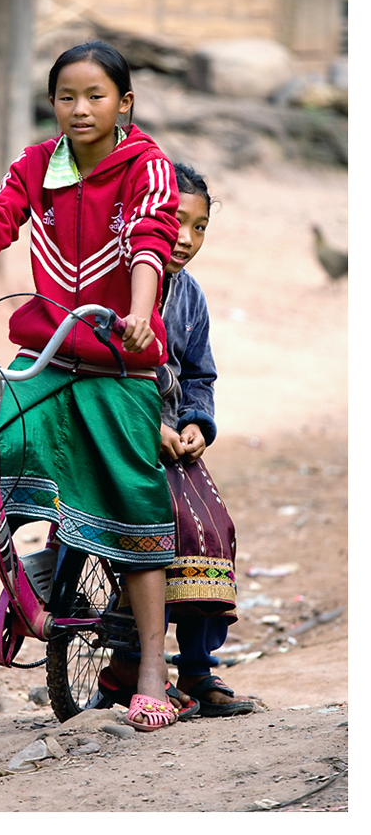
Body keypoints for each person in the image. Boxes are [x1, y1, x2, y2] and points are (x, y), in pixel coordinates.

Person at [0, 41, 181, 731]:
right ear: (53, 104)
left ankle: (151, 669)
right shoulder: (35, 166)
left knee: (133, 505)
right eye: (67, 97)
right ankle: (12, 575)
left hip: (119, 361)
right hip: (44, 357)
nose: (80, 109)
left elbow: (149, 240)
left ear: (124, 104)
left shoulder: (148, 168)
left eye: (96, 96)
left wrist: (139, 315)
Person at [97, 163, 254, 717]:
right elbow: (98, 373)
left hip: (170, 439)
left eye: (201, 227)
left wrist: (194, 424)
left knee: (213, 528)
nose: (186, 239)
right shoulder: (111, 284)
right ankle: (130, 661)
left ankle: (196, 668)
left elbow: (199, 377)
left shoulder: (189, 296)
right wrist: (150, 427)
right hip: (118, 431)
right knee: (164, 527)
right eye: (174, 221)